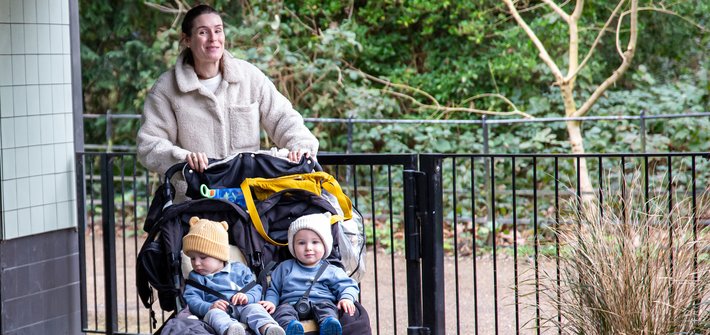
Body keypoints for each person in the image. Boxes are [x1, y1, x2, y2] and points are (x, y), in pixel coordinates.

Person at [136, 4, 318, 197]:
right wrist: (183, 159)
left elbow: (284, 118)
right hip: (196, 200)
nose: (213, 38)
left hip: (251, 198)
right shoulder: (167, 88)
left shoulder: (249, 77)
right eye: (203, 32)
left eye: (218, 30)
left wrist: (300, 146)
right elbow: (149, 145)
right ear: (187, 39)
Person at [182, 216, 285, 335]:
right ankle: (231, 330)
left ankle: (268, 328)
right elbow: (192, 299)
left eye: (203, 257)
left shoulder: (239, 269)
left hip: (243, 306)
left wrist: (247, 297)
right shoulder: (196, 278)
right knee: (214, 316)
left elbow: (255, 288)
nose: (196, 263)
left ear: (220, 256)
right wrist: (209, 306)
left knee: (256, 309)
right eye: (192, 258)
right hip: (217, 310)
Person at [262, 213, 360, 335]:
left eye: (315, 242)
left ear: (325, 245)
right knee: (282, 312)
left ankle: (329, 326)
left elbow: (348, 285)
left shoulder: (331, 270)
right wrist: (271, 301)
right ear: (293, 246)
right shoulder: (284, 267)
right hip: (290, 304)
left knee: (327, 309)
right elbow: (274, 289)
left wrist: (346, 298)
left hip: (322, 301)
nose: (308, 247)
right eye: (301, 243)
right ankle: (291, 329)